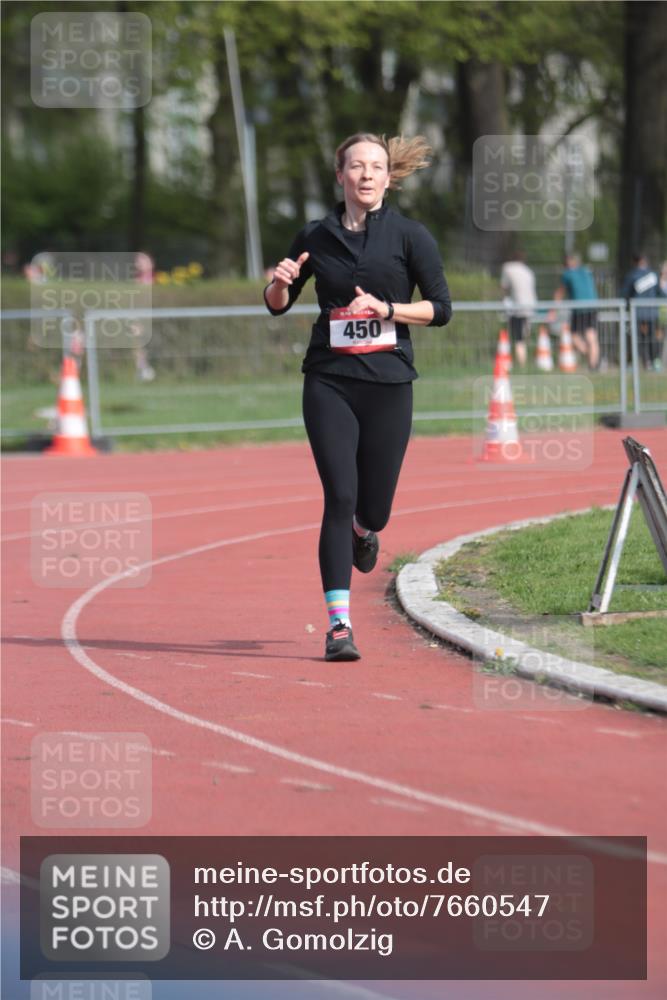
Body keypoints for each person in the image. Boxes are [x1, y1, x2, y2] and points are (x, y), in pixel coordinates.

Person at [263, 133, 452, 661]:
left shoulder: (410, 236)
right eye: (357, 167)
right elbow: (278, 304)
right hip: (329, 381)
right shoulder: (315, 235)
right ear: (340, 176)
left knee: (374, 509)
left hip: (389, 384)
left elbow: (441, 308)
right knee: (339, 495)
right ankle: (339, 626)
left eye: (376, 167)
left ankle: (364, 532)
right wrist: (278, 283)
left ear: (389, 178)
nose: (366, 175)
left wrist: (389, 310)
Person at [553, 252, 600, 369]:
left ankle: (590, 357)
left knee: (574, 336)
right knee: (591, 337)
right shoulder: (586, 271)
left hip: (579, 309)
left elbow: (559, 293)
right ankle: (594, 365)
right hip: (593, 306)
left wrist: (553, 310)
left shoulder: (568, 274)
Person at [621, 253, 665, 372]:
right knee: (652, 338)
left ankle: (635, 363)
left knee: (636, 339)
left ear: (635, 262)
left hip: (637, 313)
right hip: (652, 312)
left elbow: (625, 294)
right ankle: (655, 362)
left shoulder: (632, 275)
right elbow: (661, 293)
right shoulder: (653, 275)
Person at [500, 250, 536, 367]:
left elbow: (504, 287)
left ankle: (521, 365)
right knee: (524, 336)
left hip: (517, 307)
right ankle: (523, 362)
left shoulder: (507, 267)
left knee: (518, 338)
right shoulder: (528, 270)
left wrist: (504, 300)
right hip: (531, 306)